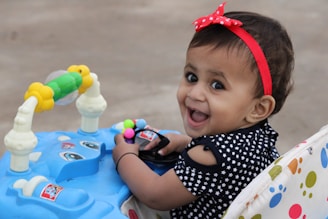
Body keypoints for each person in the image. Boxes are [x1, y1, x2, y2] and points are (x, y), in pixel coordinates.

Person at [113, 2, 294, 218]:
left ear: (258, 108)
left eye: (217, 85)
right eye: (192, 77)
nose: (195, 93)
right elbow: (231, 165)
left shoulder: (209, 156)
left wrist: (125, 157)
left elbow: (155, 194)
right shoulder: (256, 137)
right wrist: (186, 144)